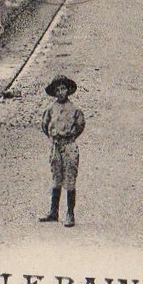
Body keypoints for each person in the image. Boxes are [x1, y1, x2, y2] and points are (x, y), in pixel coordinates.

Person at [38, 74, 85, 227]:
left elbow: (80, 126)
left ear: (68, 90)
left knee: (70, 180)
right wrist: (55, 139)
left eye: (63, 89)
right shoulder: (50, 109)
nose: (61, 92)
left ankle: (70, 214)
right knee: (56, 178)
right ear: (54, 92)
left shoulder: (75, 109)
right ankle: (53, 211)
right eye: (57, 90)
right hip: (56, 147)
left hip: (69, 146)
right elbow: (45, 126)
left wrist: (69, 138)